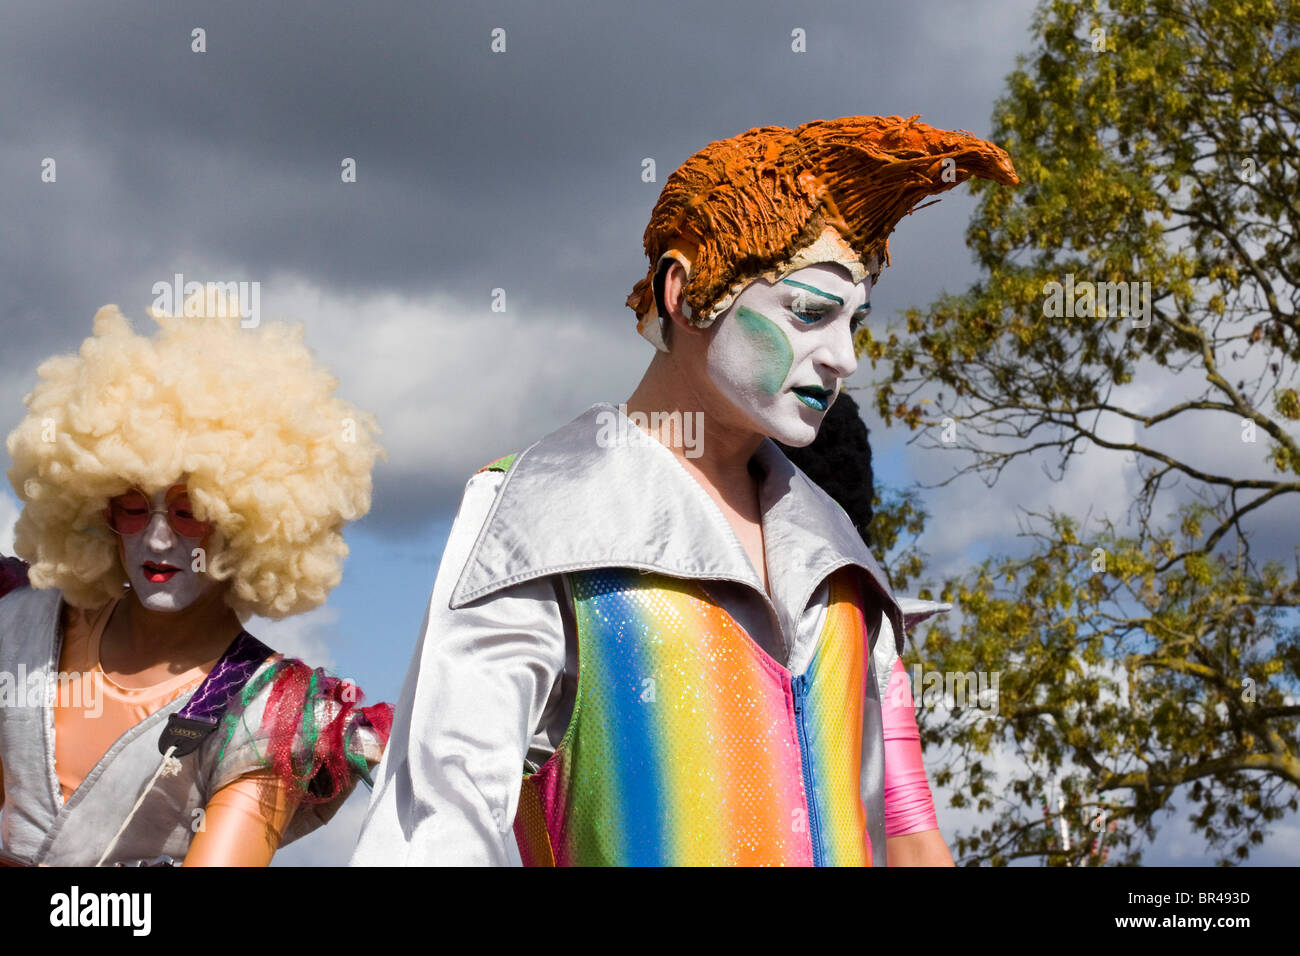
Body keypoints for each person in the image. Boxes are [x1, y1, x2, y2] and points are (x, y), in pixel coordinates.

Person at [352, 115, 1017, 866]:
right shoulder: (539, 518)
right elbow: (437, 829)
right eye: (808, 313)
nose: (845, 358)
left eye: (854, 321)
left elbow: (895, 827)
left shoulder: (842, 558)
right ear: (688, 293)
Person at [0, 296, 391, 866]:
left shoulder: (270, 712)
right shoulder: (21, 628)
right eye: (133, 506)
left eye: (189, 511)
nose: (157, 541)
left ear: (249, 520)